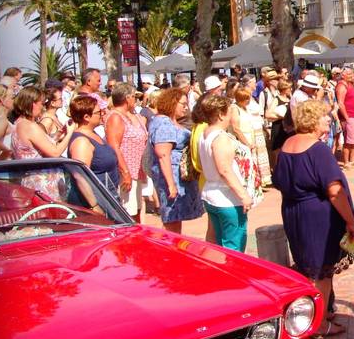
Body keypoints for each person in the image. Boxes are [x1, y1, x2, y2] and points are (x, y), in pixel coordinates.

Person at [272, 100, 354, 336]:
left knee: (307, 265)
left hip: (294, 212)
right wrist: (350, 221)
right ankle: (318, 323)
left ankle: (318, 311)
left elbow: (279, 181)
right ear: (313, 120)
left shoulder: (288, 144)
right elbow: (334, 191)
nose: (329, 120)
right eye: (325, 117)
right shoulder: (317, 149)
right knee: (321, 270)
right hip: (317, 215)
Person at [198, 94, 259, 251]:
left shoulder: (205, 134)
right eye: (229, 112)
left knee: (222, 243)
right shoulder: (220, 137)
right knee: (234, 246)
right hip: (226, 198)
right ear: (220, 114)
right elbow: (224, 169)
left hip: (213, 193)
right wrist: (243, 195)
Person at [149, 87, 204, 234]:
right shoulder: (164, 123)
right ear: (172, 103)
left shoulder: (167, 121)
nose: (186, 108)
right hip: (171, 176)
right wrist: (171, 184)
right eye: (183, 104)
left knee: (175, 220)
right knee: (172, 220)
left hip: (179, 177)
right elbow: (163, 154)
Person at [11, 87, 74, 200]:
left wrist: (58, 135)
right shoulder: (30, 126)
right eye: (41, 103)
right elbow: (54, 153)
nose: (43, 106)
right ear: (32, 104)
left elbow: (36, 148)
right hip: (43, 183)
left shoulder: (18, 124)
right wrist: (70, 133)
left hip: (30, 180)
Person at [107, 83, 148, 222]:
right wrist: (125, 173)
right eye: (134, 97)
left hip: (137, 172)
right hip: (126, 173)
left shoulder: (133, 115)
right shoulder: (116, 117)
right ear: (127, 98)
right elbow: (114, 146)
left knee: (136, 209)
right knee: (128, 213)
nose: (136, 100)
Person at [68, 95, 121, 199]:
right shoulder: (81, 142)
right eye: (98, 112)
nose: (103, 114)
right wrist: (94, 205)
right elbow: (80, 177)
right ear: (86, 117)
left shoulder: (93, 134)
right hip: (97, 200)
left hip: (108, 197)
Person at [336, 68, 354, 168]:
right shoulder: (342, 85)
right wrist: (346, 118)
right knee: (348, 140)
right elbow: (340, 103)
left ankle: (352, 159)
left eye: (353, 73)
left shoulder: (350, 84)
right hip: (349, 116)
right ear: (343, 75)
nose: (352, 75)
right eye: (350, 74)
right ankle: (346, 161)